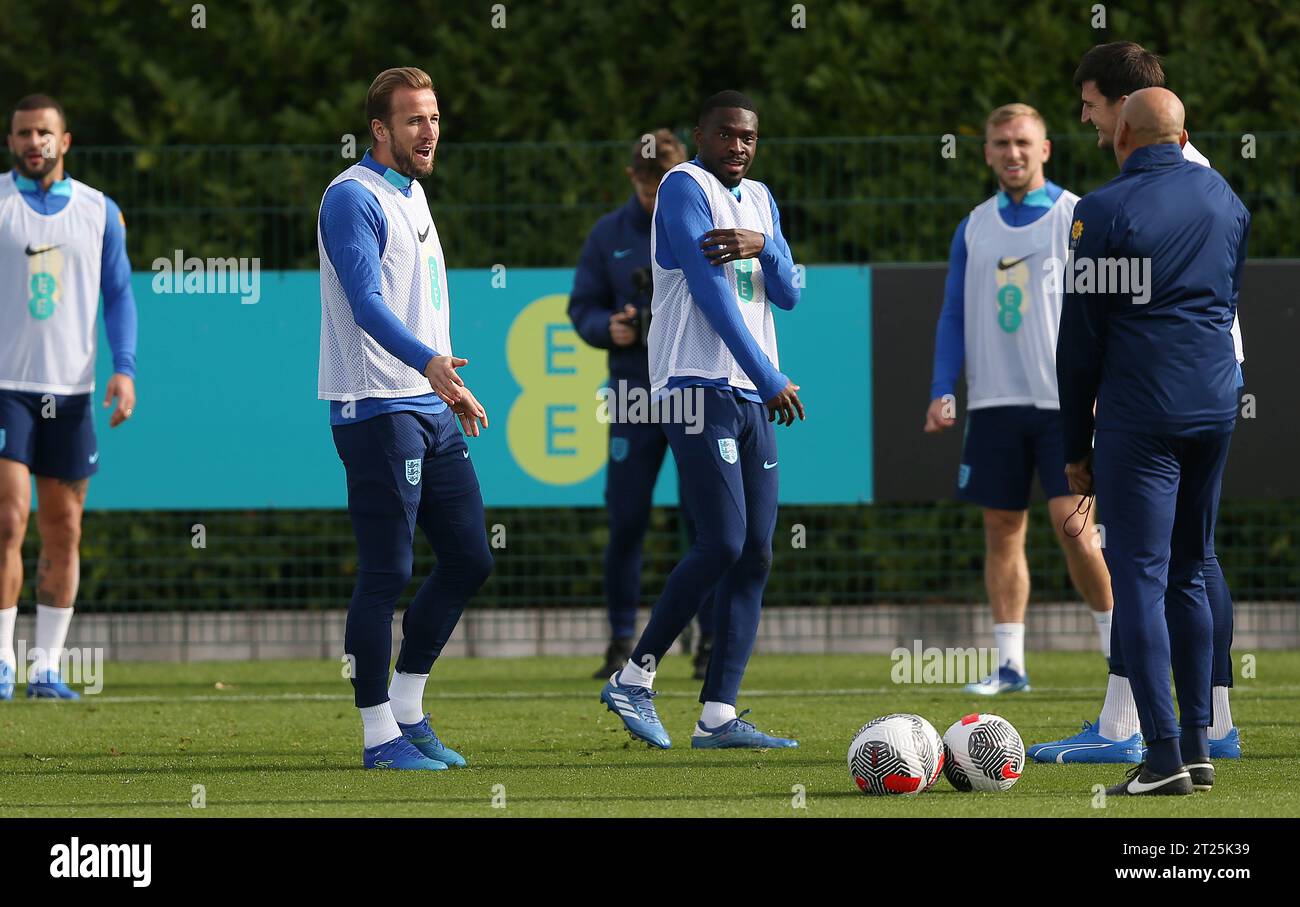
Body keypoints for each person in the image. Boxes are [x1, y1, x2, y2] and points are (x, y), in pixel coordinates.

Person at [1029, 42, 1243, 763]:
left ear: (1124, 128)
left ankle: (1157, 755)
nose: (1088, 121)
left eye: (1091, 108)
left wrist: (1073, 448)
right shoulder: (1225, 196)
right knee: (1192, 565)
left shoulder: (1103, 209)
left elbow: (1079, 341)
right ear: (1181, 136)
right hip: (1215, 401)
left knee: (1141, 576)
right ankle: (1204, 739)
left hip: (1143, 411)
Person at [599, 90, 804, 750]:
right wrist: (770, 375)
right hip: (696, 384)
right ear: (701, 135)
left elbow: (791, 291)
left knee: (756, 552)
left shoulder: (762, 200)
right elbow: (712, 294)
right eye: (725, 135)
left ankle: (718, 713)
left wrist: (765, 244)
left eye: (747, 137)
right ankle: (634, 675)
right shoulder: (684, 185)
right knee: (721, 541)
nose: (737, 146)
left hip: (750, 391)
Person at [318, 66, 492, 770]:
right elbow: (365, 304)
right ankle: (376, 735)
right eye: (414, 119)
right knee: (387, 570)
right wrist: (430, 363)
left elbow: (416, 307)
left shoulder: (414, 194)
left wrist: (445, 383)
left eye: (435, 117)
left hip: (428, 404)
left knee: (470, 557)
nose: (429, 131)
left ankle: (410, 707)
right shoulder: (350, 197)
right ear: (380, 130)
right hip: (376, 407)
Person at [925, 104, 1114, 697]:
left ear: (1046, 148)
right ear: (986, 151)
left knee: (1075, 527)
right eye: (1001, 143)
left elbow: (1104, 312)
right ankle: (1010, 666)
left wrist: (1101, 392)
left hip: (1064, 404)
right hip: (994, 405)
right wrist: (941, 390)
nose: (1013, 153)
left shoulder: (1075, 216)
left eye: (1023, 142)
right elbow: (953, 313)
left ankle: (1120, 653)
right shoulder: (974, 226)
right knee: (1002, 527)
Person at [0, 94, 138, 701]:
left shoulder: (100, 211)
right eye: (24, 133)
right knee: (9, 520)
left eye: (44, 133)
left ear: (66, 140)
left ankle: (45, 669)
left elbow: (119, 296)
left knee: (65, 528)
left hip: (74, 393)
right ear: (12, 142)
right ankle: (1, 663)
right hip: (6, 390)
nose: (34, 142)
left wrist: (124, 369)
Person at [568, 129, 716, 681]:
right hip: (633, 393)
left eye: (667, 184)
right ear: (633, 178)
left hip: (693, 389)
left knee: (709, 521)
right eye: (650, 184)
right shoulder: (608, 234)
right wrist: (610, 328)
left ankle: (711, 642)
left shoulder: (701, 226)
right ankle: (621, 641)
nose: (658, 195)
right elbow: (581, 307)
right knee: (627, 519)